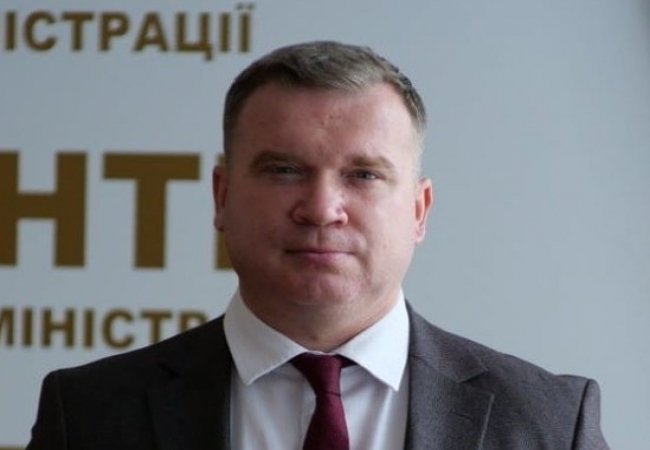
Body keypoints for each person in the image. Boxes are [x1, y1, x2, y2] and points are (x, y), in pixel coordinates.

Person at [26, 41, 609, 449]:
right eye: (284, 170)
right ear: (222, 196)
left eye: (364, 175)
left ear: (419, 209)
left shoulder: (551, 424)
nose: (322, 208)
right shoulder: (88, 415)